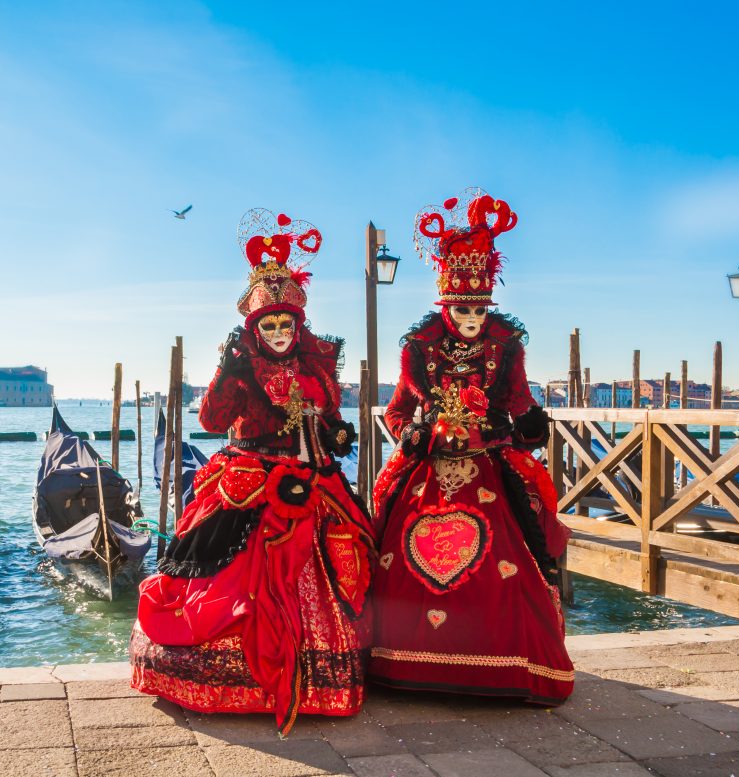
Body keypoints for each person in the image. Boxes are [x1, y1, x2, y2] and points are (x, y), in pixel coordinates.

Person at [130, 208, 375, 734]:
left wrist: (334, 434)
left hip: (312, 479)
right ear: (255, 326)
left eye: (288, 323)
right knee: (232, 575)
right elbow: (213, 420)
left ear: (299, 324)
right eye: (270, 323)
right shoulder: (241, 365)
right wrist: (225, 370)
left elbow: (329, 418)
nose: (281, 332)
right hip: (247, 478)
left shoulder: (317, 364)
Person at [369, 191, 574, 704]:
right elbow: (397, 413)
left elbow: (517, 401)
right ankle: (403, 661)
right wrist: (415, 436)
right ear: (446, 306)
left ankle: (506, 666)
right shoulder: (419, 349)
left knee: (521, 541)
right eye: (462, 310)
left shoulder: (505, 344)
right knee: (392, 528)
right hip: (430, 465)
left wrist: (528, 423)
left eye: (480, 310)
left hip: (487, 462)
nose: (471, 320)